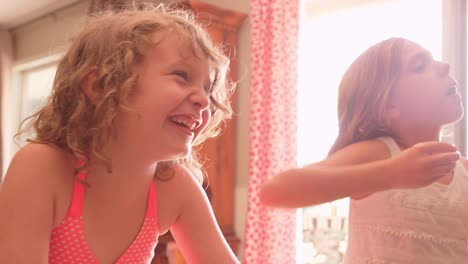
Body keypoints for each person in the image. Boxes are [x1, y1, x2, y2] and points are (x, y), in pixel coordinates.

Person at [0, 4, 238, 264]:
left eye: (207, 87)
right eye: (181, 75)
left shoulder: (173, 186)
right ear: (100, 85)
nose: (204, 100)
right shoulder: (42, 167)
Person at [260, 37, 468, 263]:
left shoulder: (464, 172)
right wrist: (391, 174)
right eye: (420, 66)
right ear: (389, 105)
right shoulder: (380, 153)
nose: (445, 66)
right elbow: (276, 190)